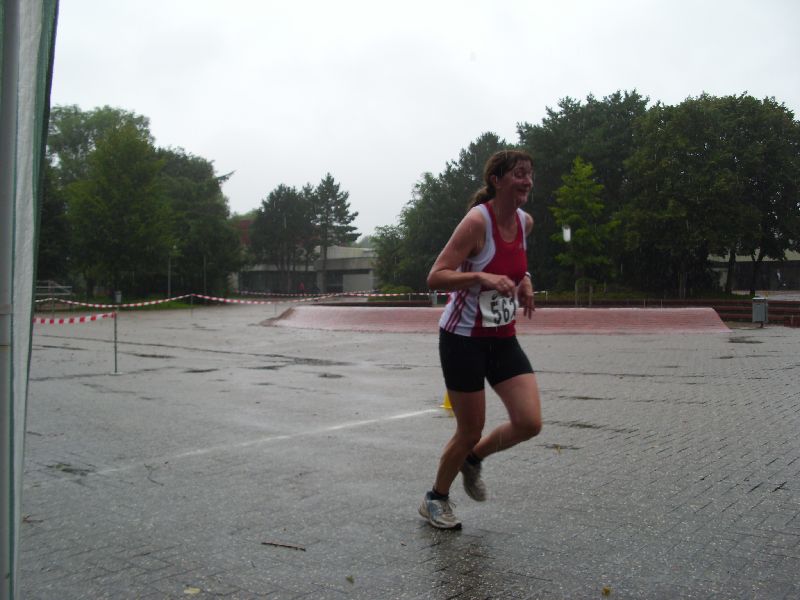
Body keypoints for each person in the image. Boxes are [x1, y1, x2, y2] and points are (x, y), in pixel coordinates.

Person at [419, 149, 543, 530]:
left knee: (529, 422)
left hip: (503, 339)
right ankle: (435, 499)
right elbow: (435, 276)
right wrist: (479, 277)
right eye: (519, 174)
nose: (527, 181)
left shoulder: (524, 222)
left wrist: (525, 282)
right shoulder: (477, 222)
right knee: (469, 429)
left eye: (529, 174)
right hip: (463, 339)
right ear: (496, 180)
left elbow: (516, 265)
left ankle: (473, 459)